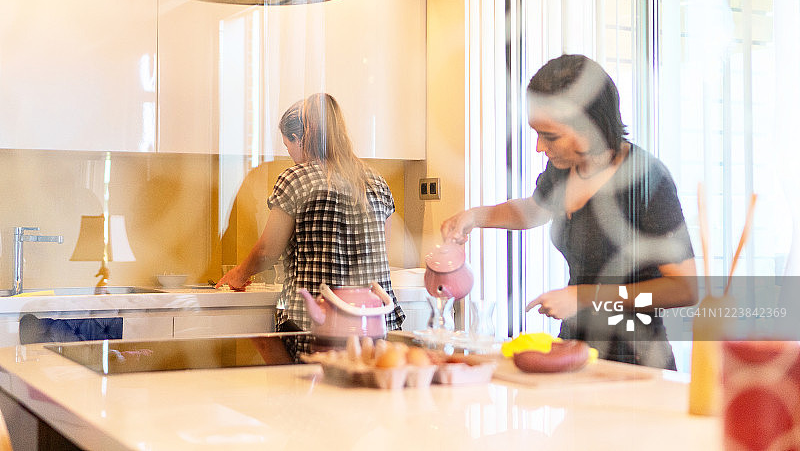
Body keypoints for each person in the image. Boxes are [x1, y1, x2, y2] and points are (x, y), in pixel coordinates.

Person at [441, 54, 697, 369]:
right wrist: (476, 216)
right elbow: (533, 210)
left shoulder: (646, 180)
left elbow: (685, 289)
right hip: (576, 352)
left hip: (635, 361)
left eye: (550, 136)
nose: (538, 147)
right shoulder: (564, 169)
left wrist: (584, 296)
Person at [217, 93, 404, 358]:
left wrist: (237, 275)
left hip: (321, 326)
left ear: (300, 139)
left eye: (287, 146)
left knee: (309, 394)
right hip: (374, 324)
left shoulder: (296, 178)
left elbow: (268, 251)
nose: (291, 155)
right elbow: (386, 248)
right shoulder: (375, 181)